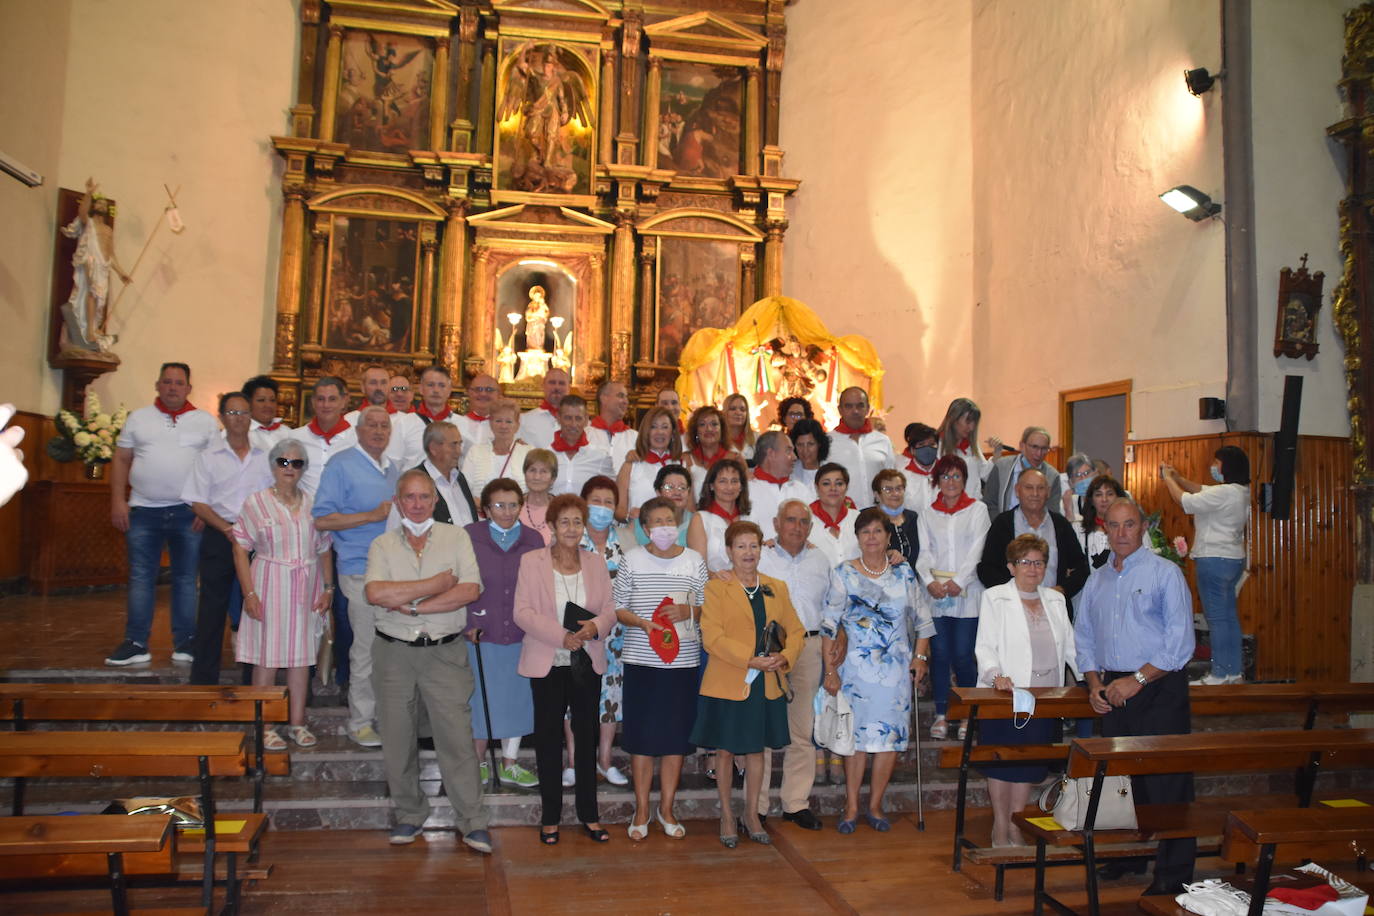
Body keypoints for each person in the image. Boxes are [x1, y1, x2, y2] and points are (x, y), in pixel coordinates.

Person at [364, 470, 491, 854]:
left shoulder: (457, 537)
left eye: (424, 497)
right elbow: (375, 592)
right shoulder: (382, 544)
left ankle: (472, 821)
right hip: (393, 654)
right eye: (409, 497)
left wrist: (413, 606)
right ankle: (409, 814)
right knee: (398, 739)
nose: (417, 504)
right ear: (399, 501)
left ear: (435, 500)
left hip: (444, 653)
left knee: (456, 740)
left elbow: (469, 589)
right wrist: (435, 586)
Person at [1075, 498, 1196, 895]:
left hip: (1159, 686)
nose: (1121, 533)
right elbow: (1085, 638)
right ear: (1103, 529)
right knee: (1126, 783)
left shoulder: (1165, 573)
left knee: (1167, 784)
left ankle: (1174, 876)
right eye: (1114, 526)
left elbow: (1180, 645)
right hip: (1113, 688)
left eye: (1129, 525)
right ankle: (1130, 857)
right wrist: (1094, 683)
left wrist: (1138, 680)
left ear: (1143, 526)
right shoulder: (1097, 580)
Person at [821, 508, 934, 833]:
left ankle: (875, 805)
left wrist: (920, 659)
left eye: (878, 531)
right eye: (865, 532)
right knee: (854, 739)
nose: (871, 538)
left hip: (895, 671)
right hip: (854, 671)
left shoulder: (904, 573)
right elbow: (830, 625)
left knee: (888, 738)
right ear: (857, 538)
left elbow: (923, 621)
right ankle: (852, 804)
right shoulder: (843, 573)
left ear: (888, 536)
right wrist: (830, 670)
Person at [514, 493, 618, 844]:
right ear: (553, 526)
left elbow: (610, 609)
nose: (571, 528)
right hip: (548, 660)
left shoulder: (595, 562)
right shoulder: (532, 562)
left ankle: (589, 814)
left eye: (577, 522)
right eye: (565, 522)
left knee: (586, 737)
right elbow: (523, 612)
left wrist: (594, 628)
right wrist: (562, 636)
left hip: (586, 661)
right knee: (547, 739)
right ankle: (550, 817)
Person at [694, 520, 804, 848]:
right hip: (730, 680)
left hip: (766, 681)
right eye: (740, 546)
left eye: (753, 546)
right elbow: (712, 637)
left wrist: (785, 657)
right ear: (729, 551)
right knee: (726, 751)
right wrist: (749, 658)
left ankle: (751, 814)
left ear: (761, 549)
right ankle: (727, 814)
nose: (748, 552)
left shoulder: (776, 587)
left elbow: (796, 631)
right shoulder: (716, 588)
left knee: (757, 750)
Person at [107, 362, 219, 666]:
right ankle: (135, 642)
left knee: (185, 579)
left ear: (188, 388)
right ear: (157, 385)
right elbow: (121, 459)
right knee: (141, 577)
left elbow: (215, 468)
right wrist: (119, 501)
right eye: (167, 382)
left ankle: (186, 642)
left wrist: (206, 508)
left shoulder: (205, 422)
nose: (172, 387)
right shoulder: (138, 418)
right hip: (143, 510)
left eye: (178, 383)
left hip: (188, 513)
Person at [613, 497, 708, 840]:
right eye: (656, 521)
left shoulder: (694, 560)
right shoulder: (632, 559)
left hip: (682, 663)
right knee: (641, 741)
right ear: (646, 527)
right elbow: (618, 607)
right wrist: (640, 622)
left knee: (674, 740)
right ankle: (640, 809)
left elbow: (707, 606)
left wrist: (689, 613)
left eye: (669, 520)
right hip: (642, 661)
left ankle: (666, 808)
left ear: (678, 523)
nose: (664, 526)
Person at [974, 533, 1078, 847]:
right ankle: (1000, 827)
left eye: (1039, 562)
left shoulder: (1056, 600)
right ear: (1011, 566)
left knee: (1027, 765)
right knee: (1003, 764)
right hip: (1006, 694)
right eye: (1025, 562)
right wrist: (995, 675)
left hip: (1045, 698)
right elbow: (985, 646)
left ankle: (1016, 824)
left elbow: (1072, 647)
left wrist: (1091, 677)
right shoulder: (995, 597)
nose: (1033, 568)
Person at [230, 438, 334, 748]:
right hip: (268, 584)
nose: (290, 468)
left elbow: (325, 548)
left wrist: (329, 588)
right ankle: (264, 726)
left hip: (307, 586)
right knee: (267, 657)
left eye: (297, 462)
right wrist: (249, 594)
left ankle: (297, 723)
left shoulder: (314, 503)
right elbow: (239, 548)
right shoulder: (255, 502)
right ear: (274, 465)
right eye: (283, 462)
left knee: (301, 658)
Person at [313, 406, 399, 747]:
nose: (378, 431)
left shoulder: (393, 469)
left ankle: (386, 716)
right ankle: (360, 721)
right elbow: (322, 519)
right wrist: (370, 516)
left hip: (392, 571)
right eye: (372, 425)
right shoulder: (341, 464)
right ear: (358, 430)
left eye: (384, 426)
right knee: (365, 647)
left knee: (390, 648)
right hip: (358, 567)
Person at [183, 392, 272, 685]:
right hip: (220, 535)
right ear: (221, 417)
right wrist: (225, 528)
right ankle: (204, 677)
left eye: (245, 413)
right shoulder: (209, 456)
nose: (239, 420)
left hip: (256, 539)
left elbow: (272, 496)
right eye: (233, 414)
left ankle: (252, 677)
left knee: (253, 606)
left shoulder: (265, 455)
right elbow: (198, 502)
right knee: (212, 607)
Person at [757, 499, 833, 831]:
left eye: (804, 521)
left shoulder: (820, 558)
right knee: (761, 730)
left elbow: (832, 604)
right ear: (776, 523)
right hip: (770, 649)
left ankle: (795, 803)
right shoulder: (761, 556)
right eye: (790, 520)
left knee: (801, 731)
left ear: (811, 528)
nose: (797, 527)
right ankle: (756, 806)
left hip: (811, 647)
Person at [463, 477, 544, 789]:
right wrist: (467, 624)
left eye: (513, 505)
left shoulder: (534, 539)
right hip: (480, 632)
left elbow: (541, 588)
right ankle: (478, 763)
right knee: (479, 701)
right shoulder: (469, 537)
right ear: (485, 509)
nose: (507, 511)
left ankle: (510, 764)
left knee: (517, 701)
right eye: (499, 505)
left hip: (522, 635)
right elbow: (458, 582)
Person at [915, 455, 991, 739]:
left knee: (962, 654)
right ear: (937, 481)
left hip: (967, 593)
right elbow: (923, 553)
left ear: (965, 480)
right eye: (945, 476)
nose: (951, 482)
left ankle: (966, 715)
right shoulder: (927, 513)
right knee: (941, 655)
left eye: (956, 476)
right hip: (935, 594)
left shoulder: (977, 510)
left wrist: (959, 581)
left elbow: (978, 549)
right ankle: (941, 714)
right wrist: (930, 581)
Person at [1162, 446, 1251, 685]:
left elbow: (1184, 501)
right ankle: (1234, 672)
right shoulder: (1238, 491)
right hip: (1232, 559)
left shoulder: (1225, 493)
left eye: (1217, 461)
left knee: (1217, 619)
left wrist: (1168, 479)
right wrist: (1180, 478)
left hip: (1214, 559)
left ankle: (1220, 674)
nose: (1214, 465)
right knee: (1229, 618)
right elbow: (1202, 490)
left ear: (1227, 465)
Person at [577, 476, 633, 787]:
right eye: (595, 500)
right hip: (579, 630)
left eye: (608, 502)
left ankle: (605, 760)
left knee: (611, 696)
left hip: (616, 634)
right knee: (576, 698)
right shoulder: (571, 537)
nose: (601, 508)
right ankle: (575, 762)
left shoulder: (626, 540)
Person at [977, 468, 1089, 612]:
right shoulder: (1003, 524)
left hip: (1054, 607)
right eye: (1029, 488)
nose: (1035, 494)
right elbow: (986, 569)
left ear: (1048, 492)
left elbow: (1081, 568)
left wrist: (1062, 589)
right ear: (1017, 491)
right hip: (1011, 608)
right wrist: (1012, 593)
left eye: (1040, 488)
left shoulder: (1061, 525)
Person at [61, 177, 131, 351]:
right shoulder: (89, 223)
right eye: (99, 204)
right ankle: (90, 333)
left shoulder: (108, 229)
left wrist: (121, 272)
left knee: (100, 300)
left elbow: (110, 254)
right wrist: (89, 193)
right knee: (90, 294)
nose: (102, 206)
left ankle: (92, 329)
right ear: (94, 206)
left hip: (103, 267)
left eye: (104, 205)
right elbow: (82, 213)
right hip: (89, 262)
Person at [396, 421, 478, 528]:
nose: (459, 451)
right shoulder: (415, 483)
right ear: (433, 448)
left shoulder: (459, 477)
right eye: (453, 444)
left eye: (460, 444)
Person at [827, 387, 896, 509]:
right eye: (849, 406)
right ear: (840, 410)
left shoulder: (882, 441)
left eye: (860, 406)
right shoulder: (827, 442)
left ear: (868, 408)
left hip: (878, 516)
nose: (855, 411)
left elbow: (892, 480)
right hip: (842, 517)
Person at [345, 366, 424, 470]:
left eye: (383, 383)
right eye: (373, 383)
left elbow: (414, 462)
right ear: (363, 387)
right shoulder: (348, 421)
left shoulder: (408, 421)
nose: (379, 388)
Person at [289, 376, 356, 496]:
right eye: (320, 399)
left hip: (344, 513)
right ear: (313, 402)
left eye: (332, 399)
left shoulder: (358, 440)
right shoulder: (295, 438)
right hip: (304, 512)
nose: (326, 405)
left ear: (343, 402)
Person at [616, 405, 683, 520]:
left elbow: (688, 510)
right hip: (636, 532)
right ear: (646, 432)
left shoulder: (682, 464)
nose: (659, 432)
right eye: (653, 427)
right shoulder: (631, 465)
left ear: (672, 432)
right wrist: (631, 516)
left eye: (665, 427)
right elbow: (618, 510)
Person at [687, 457, 751, 572]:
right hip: (714, 586)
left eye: (734, 481)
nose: (729, 487)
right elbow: (698, 569)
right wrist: (714, 577)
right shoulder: (700, 519)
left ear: (741, 486)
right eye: (723, 481)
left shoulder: (750, 517)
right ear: (711, 486)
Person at [983, 426, 1063, 516]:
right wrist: (1002, 526)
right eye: (1034, 447)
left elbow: (1053, 512)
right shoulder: (1002, 466)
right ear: (1022, 446)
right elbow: (989, 503)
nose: (1039, 453)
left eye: (1044, 448)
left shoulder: (1052, 476)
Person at [462, 398, 531, 502]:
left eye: (509, 421)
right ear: (490, 423)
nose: (503, 426)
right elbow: (464, 488)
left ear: (517, 425)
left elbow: (535, 488)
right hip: (481, 514)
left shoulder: (528, 452)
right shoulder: (475, 451)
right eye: (498, 421)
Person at [549, 394, 613, 496]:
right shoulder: (546, 456)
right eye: (568, 418)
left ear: (586, 420)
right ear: (558, 418)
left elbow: (611, 494)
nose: (573, 424)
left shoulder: (601, 457)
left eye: (578, 418)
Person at [747, 430, 811, 528]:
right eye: (788, 451)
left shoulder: (801, 489)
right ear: (771, 453)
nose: (794, 457)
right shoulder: (746, 489)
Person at [936, 398, 996, 501]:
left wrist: (997, 453)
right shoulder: (937, 445)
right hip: (947, 508)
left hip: (974, 507)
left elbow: (985, 474)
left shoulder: (972, 445)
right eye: (968, 421)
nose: (972, 428)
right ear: (953, 418)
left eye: (974, 423)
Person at [809, 462, 859, 567]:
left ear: (846, 487)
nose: (833, 488)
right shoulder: (804, 521)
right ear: (817, 488)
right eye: (826, 483)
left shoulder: (859, 519)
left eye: (839, 483)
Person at [871, 468, 922, 567]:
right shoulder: (867, 518)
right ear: (877, 495)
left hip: (914, 580)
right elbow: (861, 553)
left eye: (899, 488)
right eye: (888, 489)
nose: (895, 493)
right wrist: (886, 554)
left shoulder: (913, 518)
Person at [1075, 475, 1127, 569]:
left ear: (1118, 497)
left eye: (1110, 494)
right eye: (1098, 495)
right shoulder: (1078, 530)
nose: (1104, 499)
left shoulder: (1131, 529)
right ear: (1091, 500)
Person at [682, 405, 733, 495]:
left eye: (714, 424)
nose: (709, 429)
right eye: (702, 424)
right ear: (696, 431)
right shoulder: (686, 459)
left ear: (722, 429)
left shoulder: (735, 459)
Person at [587, 380, 637, 471]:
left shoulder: (635, 437)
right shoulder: (585, 434)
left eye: (626, 397)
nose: (626, 401)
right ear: (604, 398)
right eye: (621, 396)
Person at [517, 368, 570, 448]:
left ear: (569, 388)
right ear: (543, 386)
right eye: (552, 382)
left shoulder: (580, 422)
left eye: (561, 383)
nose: (557, 387)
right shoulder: (524, 420)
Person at [453, 372, 499, 456]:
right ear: (469, 393)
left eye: (489, 390)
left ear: (498, 394)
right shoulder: (455, 424)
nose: (483, 394)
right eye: (478, 389)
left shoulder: (506, 427)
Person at [242, 375, 291, 454]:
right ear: (247, 403)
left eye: (272, 400)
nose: (268, 405)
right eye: (261, 400)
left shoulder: (287, 432)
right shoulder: (240, 433)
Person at [520, 448, 558, 544]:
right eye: (532, 470)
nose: (537, 477)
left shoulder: (562, 509)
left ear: (553, 478)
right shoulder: (512, 507)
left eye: (543, 471)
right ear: (525, 474)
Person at [900, 422, 939, 510]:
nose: (927, 449)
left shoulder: (946, 473)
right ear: (912, 450)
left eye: (932, 444)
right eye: (921, 445)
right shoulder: (902, 476)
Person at [788, 418, 829, 491]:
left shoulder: (831, 471)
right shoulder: (788, 472)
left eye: (810, 444)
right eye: (800, 445)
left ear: (819, 444)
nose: (805, 450)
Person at [1061, 452, 1095, 523]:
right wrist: (1068, 511)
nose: (1083, 478)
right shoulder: (1065, 505)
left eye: (1087, 473)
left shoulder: (1105, 499)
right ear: (1070, 483)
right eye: (1078, 475)